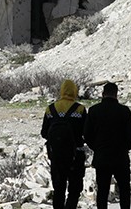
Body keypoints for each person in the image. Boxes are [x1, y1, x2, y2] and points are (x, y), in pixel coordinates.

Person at [83, 82, 131, 209]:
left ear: (103, 94)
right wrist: (126, 147)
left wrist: (96, 147)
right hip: (120, 156)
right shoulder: (124, 111)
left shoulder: (94, 110)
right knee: (124, 189)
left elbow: (86, 134)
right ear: (116, 94)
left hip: (102, 156)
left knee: (102, 190)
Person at [41, 79, 88, 209]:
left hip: (56, 156)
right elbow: (86, 133)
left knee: (59, 189)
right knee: (74, 189)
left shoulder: (50, 109)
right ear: (75, 91)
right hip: (75, 156)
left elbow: (44, 133)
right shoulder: (80, 109)